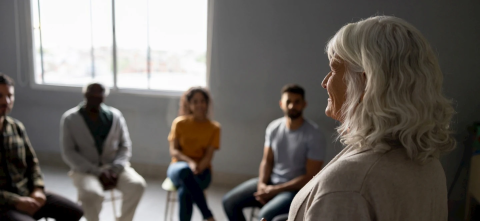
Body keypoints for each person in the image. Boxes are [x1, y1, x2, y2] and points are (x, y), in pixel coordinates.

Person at [286, 16, 455, 221]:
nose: (324, 82)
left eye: (333, 70)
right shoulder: (426, 161)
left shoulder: (347, 185)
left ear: (366, 83)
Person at [223, 84, 325, 221]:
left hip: (294, 191)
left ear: (304, 104)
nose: (292, 106)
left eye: (297, 102)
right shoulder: (274, 128)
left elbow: (310, 177)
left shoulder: (314, 134)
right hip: (271, 182)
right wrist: (262, 185)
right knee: (229, 202)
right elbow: (267, 160)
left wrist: (276, 190)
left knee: (264, 215)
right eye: (288, 101)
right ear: (281, 103)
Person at [0, 73, 83, 221]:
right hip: (4, 202)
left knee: (75, 211)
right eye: (0, 96)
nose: (6, 101)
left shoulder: (16, 127)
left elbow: (33, 163)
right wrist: (16, 201)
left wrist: (38, 189)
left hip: (26, 192)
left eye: (10, 96)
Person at [60, 83, 146, 221]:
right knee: (92, 194)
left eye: (98, 97)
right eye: (91, 96)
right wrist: (97, 171)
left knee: (137, 185)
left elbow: (125, 146)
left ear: (104, 97)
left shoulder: (115, 116)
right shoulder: (70, 118)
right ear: (85, 95)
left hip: (114, 167)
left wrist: (116, 168)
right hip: (84, 170)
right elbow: (68, 152)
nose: (95, 100)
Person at [167, 87, 220, 221]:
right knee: (185, 172)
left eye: (202, 101)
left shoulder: (214, 128)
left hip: (203, 171)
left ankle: (207, 215)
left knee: (185, 191)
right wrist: (190, 163)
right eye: (195, 101)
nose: (199, 105)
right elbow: (174, 151)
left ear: (207, 104)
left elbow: (208, 156)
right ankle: (208, 215)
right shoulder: (179, 123)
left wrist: (198, 168)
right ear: (189, 104)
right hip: (178, 168)